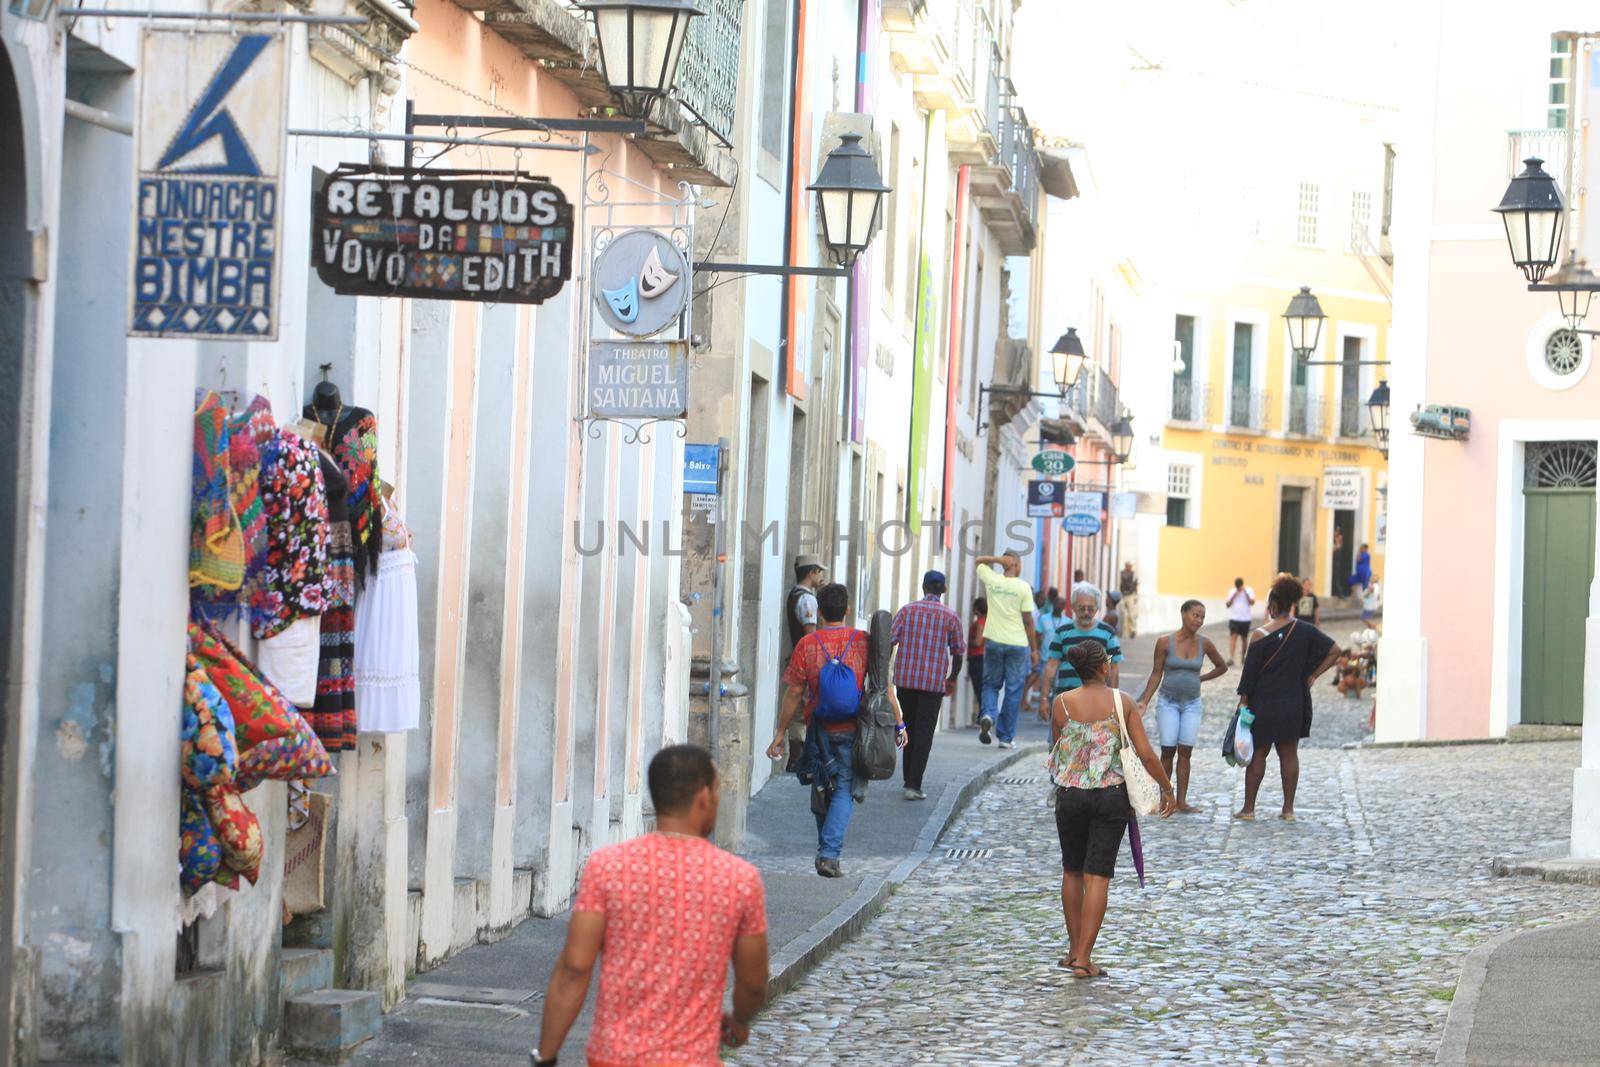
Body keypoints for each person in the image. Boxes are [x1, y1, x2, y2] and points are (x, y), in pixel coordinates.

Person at [535, 745, 768, 1067]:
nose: (717, 799)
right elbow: (753, 984)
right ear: (703, 796)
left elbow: (574, 969)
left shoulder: (607, 867)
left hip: (614, 1055)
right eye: (716, 791)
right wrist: (739, 1020)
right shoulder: (740, 879)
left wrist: (544, 1056)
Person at [1050, 641, 1175, 979]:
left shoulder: (1061, 704)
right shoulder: (1123, 702)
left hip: (1070, 795)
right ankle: (1084, 959)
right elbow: (1147, 754)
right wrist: (1167, 787)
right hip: (1110, 796)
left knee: (1072, 871)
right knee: (1098, 876)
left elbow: (1058, 749)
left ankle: (1074, 950)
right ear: (1104, 667)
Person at [767, 583, 900, 877]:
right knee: (843, 790)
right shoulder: (863, 641)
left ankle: (825, 851)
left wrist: (780, 733)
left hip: (818, 729)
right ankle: (828, 854)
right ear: (847, 610)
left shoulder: (807, 645)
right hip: (853, 729)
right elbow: (882, 686)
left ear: (820, 612)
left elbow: (794, 692)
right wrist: (898, 722)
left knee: (819, 787)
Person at [1235, 575, 1342, 822]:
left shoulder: (1260, 635)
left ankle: (1249, 809)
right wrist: (1313, 675)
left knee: (1258, 754)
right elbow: (1335, 651)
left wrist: (1243, 702)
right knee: (1289, 754)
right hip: (1294, 701)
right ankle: (1288, 810)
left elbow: (1249, 675)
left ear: (1273, 603)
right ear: (1293, 602)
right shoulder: (1306, 631)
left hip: (1264, 702)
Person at [1135, 600, 1227, 814]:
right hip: (1168, 702)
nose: (1199, 620)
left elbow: (1222, 666)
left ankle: (1182, 801)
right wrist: (1145, 700)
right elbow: (1156, 673)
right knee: (1168, 750)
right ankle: (1165, 799)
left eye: (1202, 617)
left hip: (1192, 704)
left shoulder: (1205, 643)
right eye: (1195, 615)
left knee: (1185, 751)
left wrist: (1199, 679)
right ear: (1183, 614)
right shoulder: (1165, 642)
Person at [891, 571, 966, 800]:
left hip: (905, 682)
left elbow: (890, 639)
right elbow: (958, 651)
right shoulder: (950, 616)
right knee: (924, 733)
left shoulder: (907, 611)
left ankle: (908, 779)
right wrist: (952, 678)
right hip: (933, 684)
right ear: (942, 590)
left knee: (909, 727)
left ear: (923, 587)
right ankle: (913, 784)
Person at [973, 553, 1040, 748]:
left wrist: (997, 560)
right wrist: (1034, 650)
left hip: (994, 641)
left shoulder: (992, 580)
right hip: (1018, 644)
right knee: (1013, 690)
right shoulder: (1023, 587)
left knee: (990, 684)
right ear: (1017, 565)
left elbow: (978, 561)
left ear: (1004, 564)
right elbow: (1028, 621)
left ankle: (988, 714)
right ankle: (1005, 737)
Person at [781, 555, 828, 770]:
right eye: (820, 571)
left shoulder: (796, 594)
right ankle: (799, 758)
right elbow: (811, 636)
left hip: (797, 659)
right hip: (806, 662)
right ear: (811, 573)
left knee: (799, 710)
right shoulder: (808, 600)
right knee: (802, 710)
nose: (821, 576)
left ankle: (798, 756)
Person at [1041, 583, 1123, 705]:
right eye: (1081, 608)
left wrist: (1114, 702)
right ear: (1073, 607)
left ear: (1097, 608)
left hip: (1098, 703)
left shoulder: (1108, 633)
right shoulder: (1062, 632)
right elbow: (1051, 666)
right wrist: (1044, 699)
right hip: (1066, 701)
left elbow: (1113, 668)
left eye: (1090, 608)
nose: (1086, 612)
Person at [1225, 578, 1255, 666]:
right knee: (1233, 638)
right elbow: (1227, 605)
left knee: (1244, 639)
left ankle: (1243, 657)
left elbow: (1252, 602)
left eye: (1239, 586)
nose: (1238, 588)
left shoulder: (1249, 590)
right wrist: (1234, 595)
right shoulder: (1232, 591)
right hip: (1234, 618)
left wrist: (1245, 592)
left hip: (1245, 619)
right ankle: (1231, 658)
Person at [966, 598, 987, 716]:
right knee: (980, 688)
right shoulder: (986, 621)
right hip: (980, 656)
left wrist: (966, 641)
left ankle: (982, 715)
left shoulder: (980, 622)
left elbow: (978, 642)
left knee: (978, 688)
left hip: (976, 656)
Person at [1119, 562, 1140, 637]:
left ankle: (1132, 630)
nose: (1129, 567)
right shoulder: (1121, 573)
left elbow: (1136, 584)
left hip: (1131, 595)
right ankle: (1124, 632)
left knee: (1131, 614)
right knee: (1124, 614)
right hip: (1123, 595)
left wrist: (1136, 596)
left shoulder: (1133, 574)